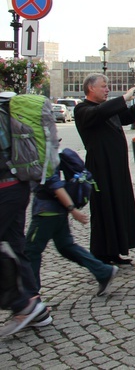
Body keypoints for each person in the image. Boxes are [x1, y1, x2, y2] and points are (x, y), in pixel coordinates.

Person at [23, 150, 119, 299]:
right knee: (66, 247)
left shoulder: (43, 155)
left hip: (45, 213)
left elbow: (55, 185)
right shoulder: (47, 152)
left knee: (30, 251)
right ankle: (103, 271)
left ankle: (31, 296)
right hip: (57, 211)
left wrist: (72, 209)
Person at [74, 74, 135, 264]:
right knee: (105, 208)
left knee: (118, 206)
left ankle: (115, 250)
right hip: (100, 168)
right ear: (91, 88)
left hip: (116, 168)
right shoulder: (83, 109)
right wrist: (124, 98)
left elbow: (126, 116)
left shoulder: (105, 109)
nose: (107, 90)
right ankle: (101, 253)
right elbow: (99, 114)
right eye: (104, 86)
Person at [0, 92, 49, 337]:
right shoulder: (6, 109)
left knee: (13, 246)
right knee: (15, 245)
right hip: (16, 187)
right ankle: (36, 307)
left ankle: (23, 305)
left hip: (6, 190)